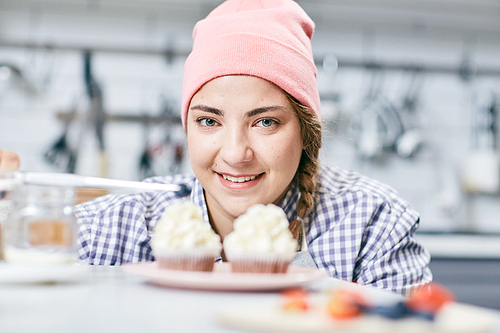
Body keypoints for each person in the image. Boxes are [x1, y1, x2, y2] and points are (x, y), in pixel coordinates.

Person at [0, 0, 432, 296]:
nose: (235, 153)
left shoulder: (372, 223)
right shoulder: (136, 219)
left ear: (306, 132)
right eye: (209, 121)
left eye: (265, 122)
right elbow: (24, 251)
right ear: (186, 128)